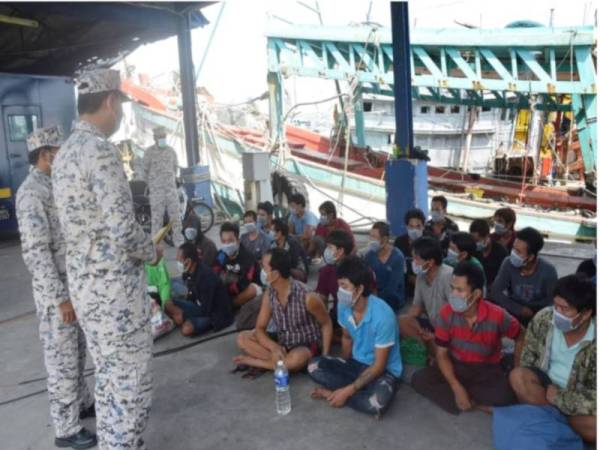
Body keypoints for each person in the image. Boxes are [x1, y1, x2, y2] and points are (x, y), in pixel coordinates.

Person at [52, 69, 162, 449]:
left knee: (109, 378)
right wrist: (151, 250)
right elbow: (122, 227)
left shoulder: (65, 154)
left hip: (86, 290)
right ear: (110, 101)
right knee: (130, 384)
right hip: (114, 295)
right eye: (120, 106)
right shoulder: (99, 150)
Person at [16, 126, 96, 450]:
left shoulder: (55, 184)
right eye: (57, 149)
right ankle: (65, 428)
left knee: (76, 351)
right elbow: (36, 253)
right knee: (61, 359)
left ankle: (81, 402)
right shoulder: (30, 193)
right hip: (56, 295)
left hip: (73, 285)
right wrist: (60, 298)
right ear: (44, 153)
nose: (61, 154)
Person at [411, 262, 524, 415]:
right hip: (456, 364)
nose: (453, 294)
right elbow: (442, 354)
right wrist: (456, 386)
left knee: (508, 396)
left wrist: (517, 365)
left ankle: (470, 402)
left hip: (487, 369)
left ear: (476, 294)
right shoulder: (446, 313)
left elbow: (521, 335)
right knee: (419, 379)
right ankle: (466, 397)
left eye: (460, 290)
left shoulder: (498, 315)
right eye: (452, 288)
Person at [308, 256, 403, 417]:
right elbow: (347, 338)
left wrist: (348, 390)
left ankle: (339, 393)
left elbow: (379, 366)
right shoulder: (344, 307)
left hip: (384, 370)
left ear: (359, 289)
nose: (339, 292)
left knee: (375, 403)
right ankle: (354, 390)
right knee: (313, 366)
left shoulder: (383, 315)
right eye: (339, 286)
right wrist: (344, 365)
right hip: (357, 364)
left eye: (344, 286)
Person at [509, 274, 596, 444]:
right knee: (517, 376)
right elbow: (528, 361)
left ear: (585, 314)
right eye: (555, 306)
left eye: (565, 309)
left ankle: (550, 424)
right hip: (544, 388)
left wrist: (560, 398)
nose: (557, 314)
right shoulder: (544, 318)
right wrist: (546, 391)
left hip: (577, 400)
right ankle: (557, 427)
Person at [234, 248, 332, 372]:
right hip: (282, 341)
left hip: (304, 344)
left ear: (275, 274)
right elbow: (260, 328)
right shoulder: (269, 294)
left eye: (264, 268)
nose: (262, 272)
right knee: (243, 338)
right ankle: (280, 363)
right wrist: (274, 347)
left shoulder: (308, 297)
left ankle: (258, 362)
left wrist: (325, 356)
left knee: (296, 359)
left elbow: (326, 323)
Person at [492, 227, 558, 324]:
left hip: (537, 312)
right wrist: (519, 309)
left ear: (530, 257)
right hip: (514, 306)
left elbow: (552, 302)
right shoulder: (508, 263)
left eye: (518, 252)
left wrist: (537, 315)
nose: (513, 254)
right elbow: (496, 292)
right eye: (513, 248)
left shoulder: (548, 271)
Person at [165, 243, 233, 336]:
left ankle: (182, 319)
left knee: (186, 330)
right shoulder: (188, 271)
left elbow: (206, 310)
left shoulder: (206, 277)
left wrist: (183, 315)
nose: (177, 262)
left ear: (188, 261)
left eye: (179, 260)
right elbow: (191, 297)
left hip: (214, 313)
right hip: (198, 305)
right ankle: (181, 318)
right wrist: (182, 311)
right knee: (168, 304)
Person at [399, 237, 452, 356]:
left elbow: (456, 314)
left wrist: (438, 334)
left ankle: (436, 352)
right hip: (432, 324)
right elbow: (416, 308)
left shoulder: (447, 276)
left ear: (430, 262)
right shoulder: (421, 276)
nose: (414, 262)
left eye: (417, 259)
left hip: (449, 328)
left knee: (437, 343)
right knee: (402, 321)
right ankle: (431, 350)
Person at [143, 125, 183, 247]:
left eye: (164, 136)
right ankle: (155, 248)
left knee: (175, 219)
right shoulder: (149, 153)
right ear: (154, 138)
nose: (163, 139)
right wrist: (153, 185)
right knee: (157, 221)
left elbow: (175, 168)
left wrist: (169, 182)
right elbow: (144, 171)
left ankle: (179, 244)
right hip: (157, 193)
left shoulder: (171, 151)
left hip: (171, 191)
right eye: (160, 137)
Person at [213, 222, 260, 308]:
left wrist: (224, 286)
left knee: (252, 289)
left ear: (237, 241)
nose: (227, 244)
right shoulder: (221, 255)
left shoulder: (248, 258)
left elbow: (243, 283)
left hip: (241, 293)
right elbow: (214, 274)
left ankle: (228, 307)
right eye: (224, 241)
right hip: (225, 291)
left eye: (230, 240)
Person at [316, 230, 355, 329]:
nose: (326, 251)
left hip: (359, 317)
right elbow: (322, 299)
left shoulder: (361, 270)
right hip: (338, 316)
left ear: (340, 251)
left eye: (330, 247)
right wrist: (324, 324)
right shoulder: (326, 271)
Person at [364, 221, 406, 313]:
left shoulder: (397, 257)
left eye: (374, 237)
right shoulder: (368, 256)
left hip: (393, 302)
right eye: (370, 236)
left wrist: (374, 300)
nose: (371, 240)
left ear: (384, 239)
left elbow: (392, 288)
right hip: (374, 298)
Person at [394, 208, 428, 298]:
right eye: (411, 226)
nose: (414, 230)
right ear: (406, 227)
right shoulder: (399, 242)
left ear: (423, 226)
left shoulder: (430, 243)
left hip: (427, 288)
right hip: (406, 290)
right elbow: (397, 267)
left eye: (418, 226)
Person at [470, 218, 508, 290]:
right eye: (473, 241)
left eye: (478, 240)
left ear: (487, 235)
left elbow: (504, 277)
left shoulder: (501, 252)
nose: (476, 244)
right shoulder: (471, 249)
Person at [271, 218, 309, 282]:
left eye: (273, 231)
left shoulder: (292, 243)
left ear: (280, 232)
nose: (271, 233)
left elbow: (294, 263)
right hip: (284, 269)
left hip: (298, 270)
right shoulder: (273, 244)